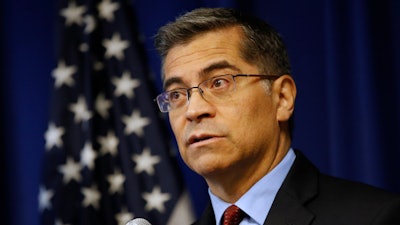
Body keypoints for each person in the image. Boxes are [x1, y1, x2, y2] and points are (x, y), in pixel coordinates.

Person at [153, 7, 400, 225]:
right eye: (176, 95)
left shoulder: (375, 217)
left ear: (282, 98)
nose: (194, 110)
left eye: (219, 82)